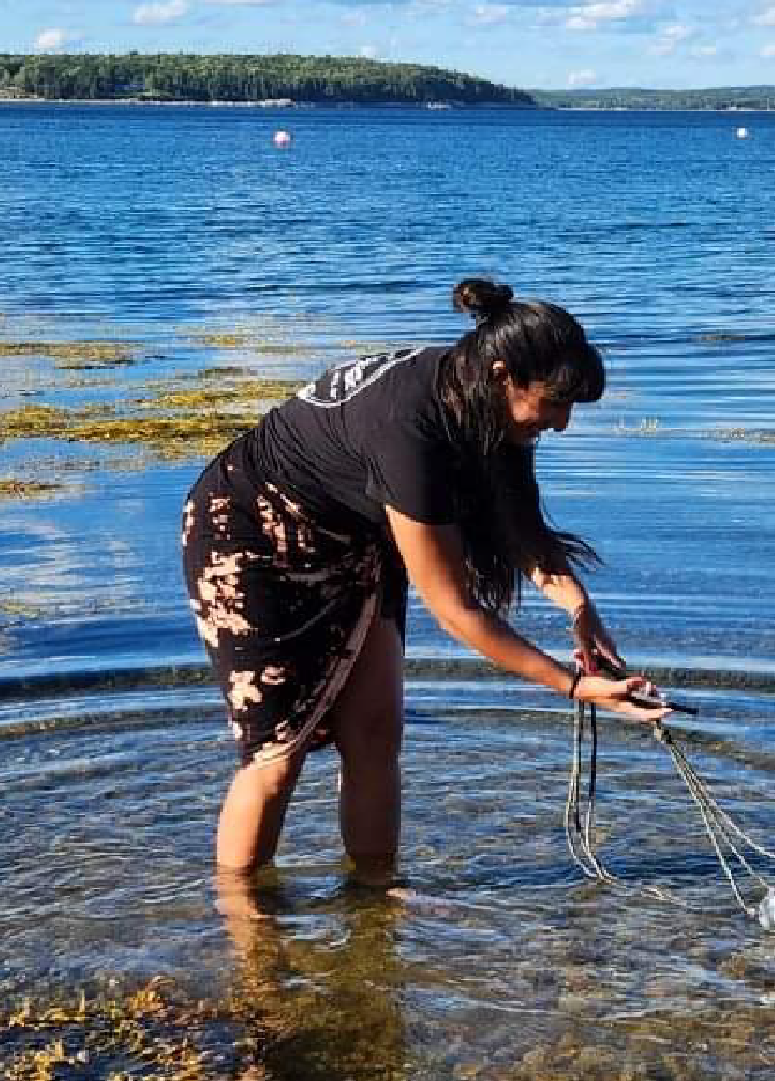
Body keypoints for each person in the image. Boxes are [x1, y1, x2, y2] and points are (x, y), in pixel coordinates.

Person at [181, 278, 669, 891]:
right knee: (278, 756)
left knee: (376, 735)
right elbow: (456, 610)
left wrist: (579, 609)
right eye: (554, 404)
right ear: (501, 374)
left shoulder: (487, 408)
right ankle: (247, 930)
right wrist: (573, 687)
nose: (562, 424)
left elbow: (521, 527)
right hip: (250, 539)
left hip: (355, 537)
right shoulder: (412, 430)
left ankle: (374, 903)